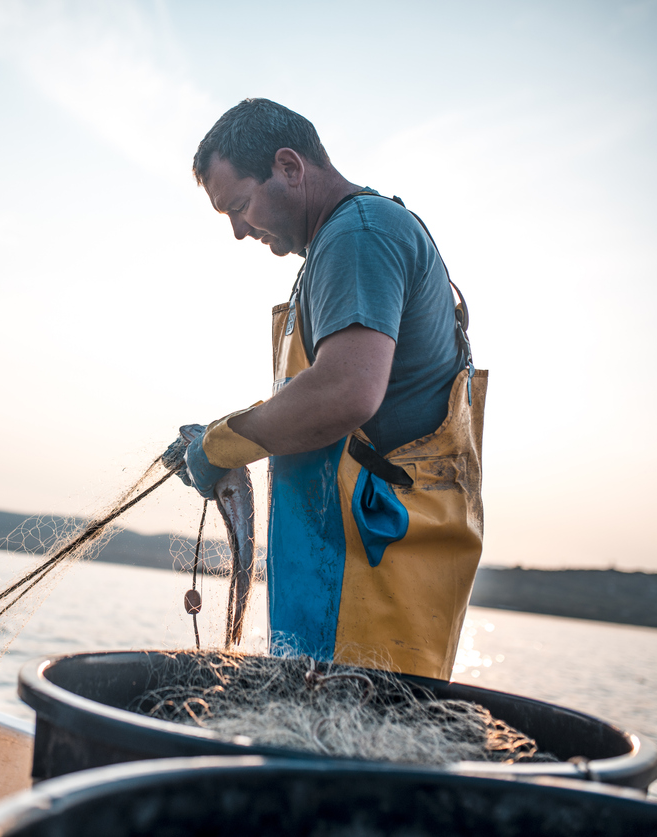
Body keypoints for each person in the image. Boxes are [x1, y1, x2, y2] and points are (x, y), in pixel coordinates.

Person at [173, 99, 487, 680]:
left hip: (370, 594)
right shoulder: (340, 245)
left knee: (343, 762)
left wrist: (219, 446)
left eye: (240, 206)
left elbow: (346, 391)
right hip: (333, 587)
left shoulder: (359, 236)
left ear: (289, 166)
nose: (239, 231)